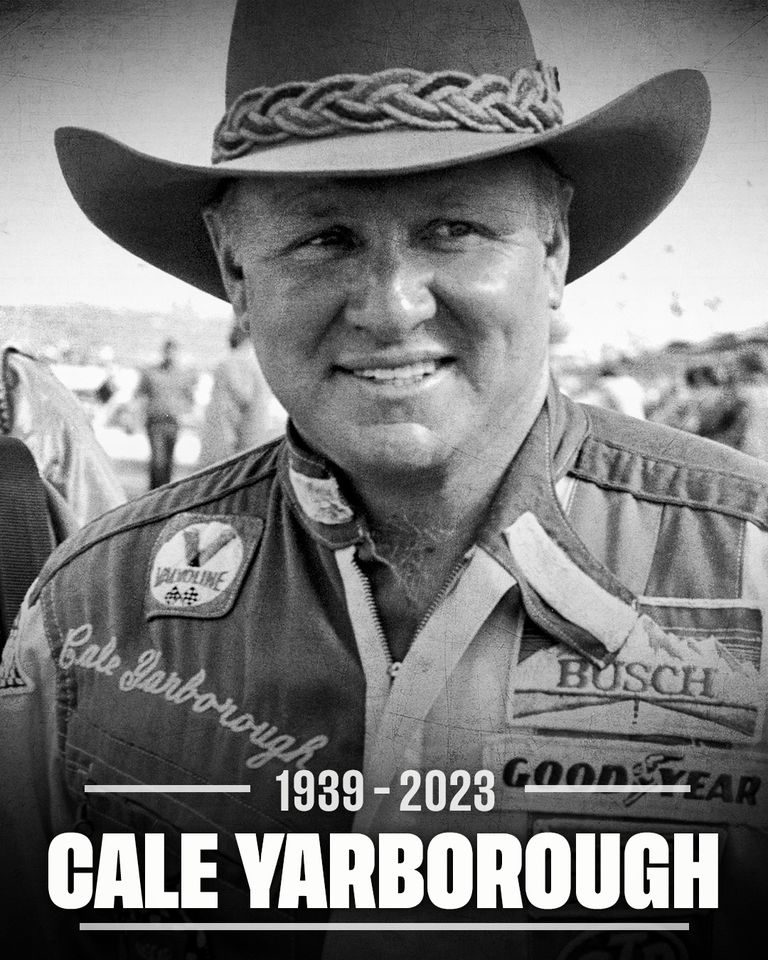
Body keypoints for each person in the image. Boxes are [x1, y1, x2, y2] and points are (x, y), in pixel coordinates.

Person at [1, 2, 766, 959]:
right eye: (325, 239)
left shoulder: (749, 570)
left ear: (554, 251)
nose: (392, 307)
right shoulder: (93, 612)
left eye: (454, 229)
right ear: (236, 272)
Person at [0, 343, 125, 527]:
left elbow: (28, 465)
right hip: (95, 520)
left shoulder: (20, 386)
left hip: (85, 526)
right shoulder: (23, 377)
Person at [197, 317, 284, 466]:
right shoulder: (264, 364)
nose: (229, 334)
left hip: (233, 463)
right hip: (256, 459)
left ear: (242, 329)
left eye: (233, 328)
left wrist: (215, 469)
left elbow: (221, 428)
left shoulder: (232, 364)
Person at [135, 337, 196, 488]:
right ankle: (154, 493)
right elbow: (139, 395)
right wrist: (137, 416)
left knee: (168, 463)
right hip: (155, 422)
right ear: (163, 352)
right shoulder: (151, 373)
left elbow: (190, 399)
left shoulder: (183, 375)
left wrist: (182, 410)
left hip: (173, 423)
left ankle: (163, 493)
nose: (170, 355)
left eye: (173, 352)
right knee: (158, 462)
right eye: (167, 351)